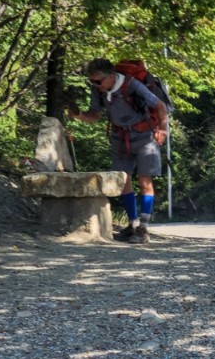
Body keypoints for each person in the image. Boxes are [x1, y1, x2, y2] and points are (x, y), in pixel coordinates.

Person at [70, 58, 169, 243]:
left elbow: (160, 106)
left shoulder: (132, 85)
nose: (95, 85)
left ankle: (144, 228)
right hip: (120, 138)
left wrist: (162, 130)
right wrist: (79, 115)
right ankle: (132, 224)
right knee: (123, 180)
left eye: (98, 81)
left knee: (145, 179)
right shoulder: (98, 90)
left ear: (112, 76)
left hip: (146, 136)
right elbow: (95, 115)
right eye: (92, 81)